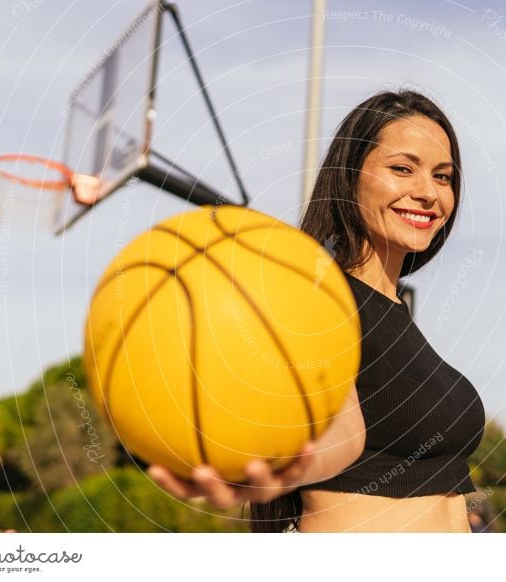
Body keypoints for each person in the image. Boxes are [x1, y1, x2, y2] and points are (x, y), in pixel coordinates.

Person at [148, 89, 485, 532]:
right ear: (349, 178)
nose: (428, 192)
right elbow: (339, 431)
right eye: (402, 169)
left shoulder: (393, 311)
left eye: (443, 176)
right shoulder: (317, 299)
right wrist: (287, 466)